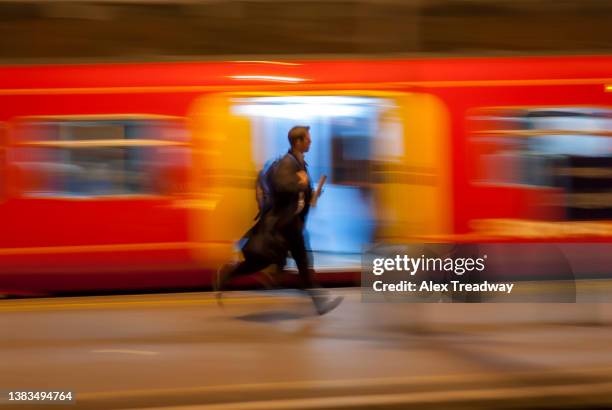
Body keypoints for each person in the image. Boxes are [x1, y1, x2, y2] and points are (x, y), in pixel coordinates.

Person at [215, 126, 343, 315]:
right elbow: (281, 185)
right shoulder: (287, 163)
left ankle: (318, 301)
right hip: (283, 225)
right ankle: (228, 274)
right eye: (307, 139)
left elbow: (299, 192)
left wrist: (312, 195)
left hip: (292, 225)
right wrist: (301, 183)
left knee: (299, 261)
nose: (310, 142)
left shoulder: (300, 163)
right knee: (263, 262)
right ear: (298, 142)